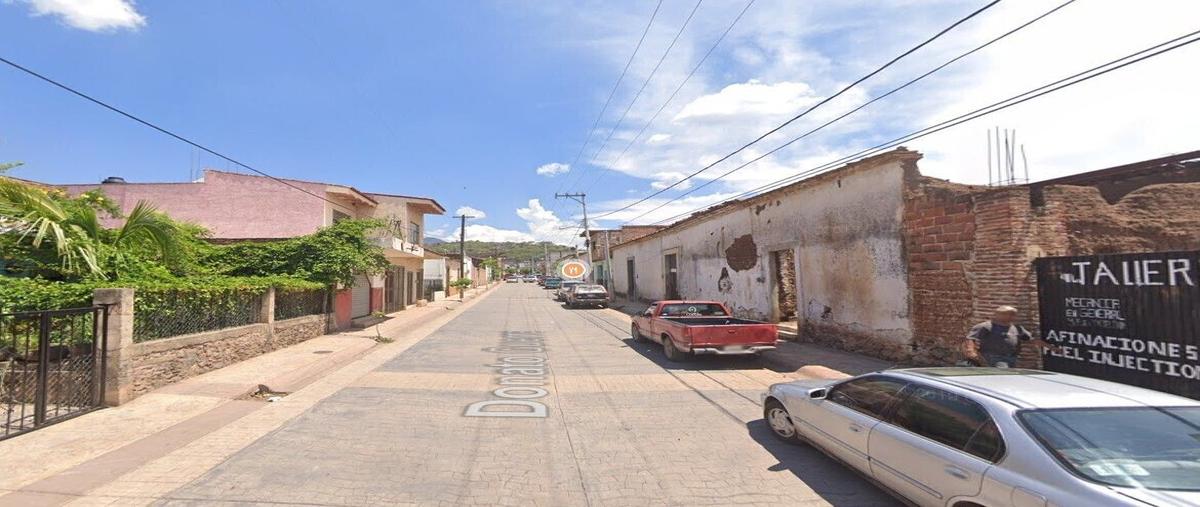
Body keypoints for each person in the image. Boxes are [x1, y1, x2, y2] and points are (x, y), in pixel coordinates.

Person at [963, 306, 1057, 368]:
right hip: (993, 357)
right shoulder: (986, 326)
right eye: (1007, 314)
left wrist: (1051, 347)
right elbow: (971, 338)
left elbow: (1031, 339)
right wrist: (970, 351)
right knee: (1003, 372)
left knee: (1007, 374)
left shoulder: (1017, 328)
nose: (1010, 316)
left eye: (1012, 314)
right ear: (998, 315)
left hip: (1012, 357)